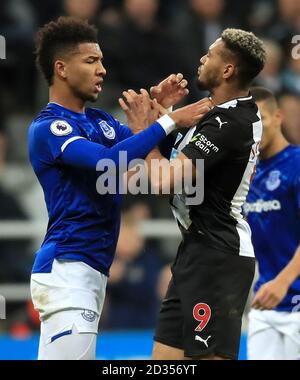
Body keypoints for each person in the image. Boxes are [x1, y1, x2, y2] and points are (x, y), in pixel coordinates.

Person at [28, 16, 211, 360]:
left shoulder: (101, 122)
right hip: (68, 269)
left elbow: (146, 149)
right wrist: (170, 120)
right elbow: (108, 162)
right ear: (61, 68)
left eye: (102, 61)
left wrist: (160, 110)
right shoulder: (48, 127)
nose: (102, 70)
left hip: (91, 272)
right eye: (91, 61)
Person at [119, 28, 267, 360]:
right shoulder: (214, 115)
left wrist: (146, 129)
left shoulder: (232, 123)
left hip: (219, 257)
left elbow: (164, 182)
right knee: (163, 362)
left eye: (211, 54)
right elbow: (172, 165)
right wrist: (164, 114)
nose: (202, 58)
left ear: (228, 69)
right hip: (196, 252)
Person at [244, 87, 300, 360]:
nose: (257, 129)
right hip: (265, 306)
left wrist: (283, 282)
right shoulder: (245, 174)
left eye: (262, 119)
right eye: (250, 123)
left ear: (278, 117)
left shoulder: (297, 164)